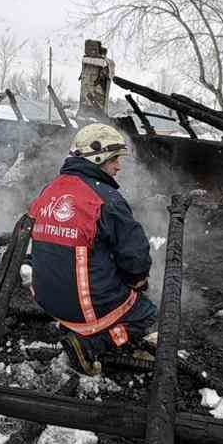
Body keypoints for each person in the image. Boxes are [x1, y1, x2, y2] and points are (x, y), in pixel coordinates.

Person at [28, 123, 155, 374]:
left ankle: (74, 327)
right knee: (146, 313)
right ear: (98, 158)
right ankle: (91, 344)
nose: (118, 166)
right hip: (83, 307)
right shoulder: (106, 199)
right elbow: (135, 256)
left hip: (45, 299)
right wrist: (138, 282)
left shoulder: (49, 190)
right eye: (115, 159)